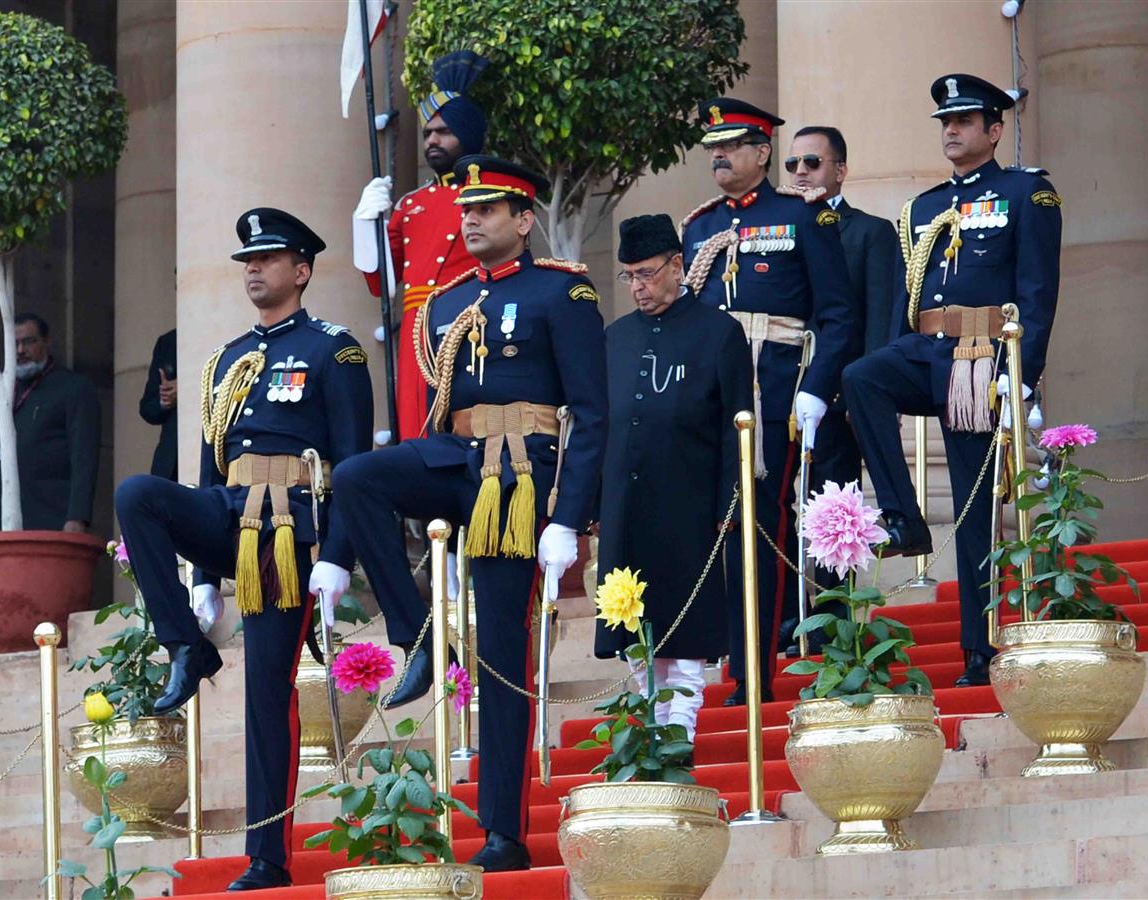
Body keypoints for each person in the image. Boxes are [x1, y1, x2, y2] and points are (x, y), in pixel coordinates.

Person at [328, 156, 607, 872]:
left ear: (523, 219)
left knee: (505, 661)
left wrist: (568, 519)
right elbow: (437, 408)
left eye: (489, 208)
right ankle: (417, 630)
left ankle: (504, 831)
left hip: (520, 481)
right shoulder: (446, 302)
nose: (472, 218)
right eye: (467, 209)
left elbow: (593, 415)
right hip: (457, 459)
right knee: (360, 477)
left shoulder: (561, 295)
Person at [114, 208, 374, 891]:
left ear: (302, 269)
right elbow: (209, 466)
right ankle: (186, 647)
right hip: (229, 514)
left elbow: (352, 470)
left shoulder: (334, 350)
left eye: (268, 259)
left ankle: (267, 857)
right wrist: (202, 579)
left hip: (290, 535)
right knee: (139, 494)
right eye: (248, 261)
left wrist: (337, 558)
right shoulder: (229, 358)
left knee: (267, 689)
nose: (254, 269)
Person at [842, 74, 1062, 686]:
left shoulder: (1027, 194)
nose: (952, 131)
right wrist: (896, 349)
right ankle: (903, 516)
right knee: (861, 377)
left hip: (981, 356)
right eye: (946, 122)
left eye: (964, 121)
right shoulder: (923, 207)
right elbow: (907, 298)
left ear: (994, 130)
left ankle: (979, 647)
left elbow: (1039, 292)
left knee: (973, 507)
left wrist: (1024, 374)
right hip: (924, 348)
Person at [681, 97, 857, 705]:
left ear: (762, 153)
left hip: (775, 384)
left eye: (732, 146)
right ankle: (719, 657)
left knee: (761, 525)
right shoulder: (700, 227)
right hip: (711, 394)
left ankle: (754, 668)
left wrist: (814, 388)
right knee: (715, 528)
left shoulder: (803, 217)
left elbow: (837, 314)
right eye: (713, 149)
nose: (720, 157)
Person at [594, 214, 752, 746]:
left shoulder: (720, 333)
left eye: (647, 273)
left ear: (678, 265)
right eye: (629, 277)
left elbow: (739, 428)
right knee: (633, 626)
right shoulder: (614, 338)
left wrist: (732, 502)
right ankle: (646, 736)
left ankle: (679, 738)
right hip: (626, 504)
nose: (638, 287)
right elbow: (599, 427)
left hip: (690, 502)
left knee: (685, 636)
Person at [782, 125, 900, 652]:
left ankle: (833, 620)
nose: (801, 172)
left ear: (840, 170)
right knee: (778, 506)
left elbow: (880, 320)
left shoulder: (869, 232)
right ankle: (785, 617)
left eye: (812, 162)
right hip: (779, 394)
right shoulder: (777, 228)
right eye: (793, 165)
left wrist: (869, 398)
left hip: (839, 396)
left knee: (835, 509)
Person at [354, 49, 490, 443]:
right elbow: (382, 283)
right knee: (417, 434)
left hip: (468, 322)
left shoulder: (487, 194)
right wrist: (365, 225)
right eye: (428, 133)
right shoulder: (410, 204)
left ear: (467, 134)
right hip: (417, 330)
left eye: (444, 131)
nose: (432, 140)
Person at [0, 312, 100, 533]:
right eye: (14, 344)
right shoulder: (3, 392)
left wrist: (78, 517)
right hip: (3, 525)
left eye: (29, 341)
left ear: (46, 342)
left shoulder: (74, 387)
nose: (20, 350)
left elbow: (84, 456)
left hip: (53, 519)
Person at [138, 328, 178, 480]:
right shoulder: (168, 342)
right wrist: (165, 399)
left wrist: (188, 388)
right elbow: (147, 408)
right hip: (170, 460)